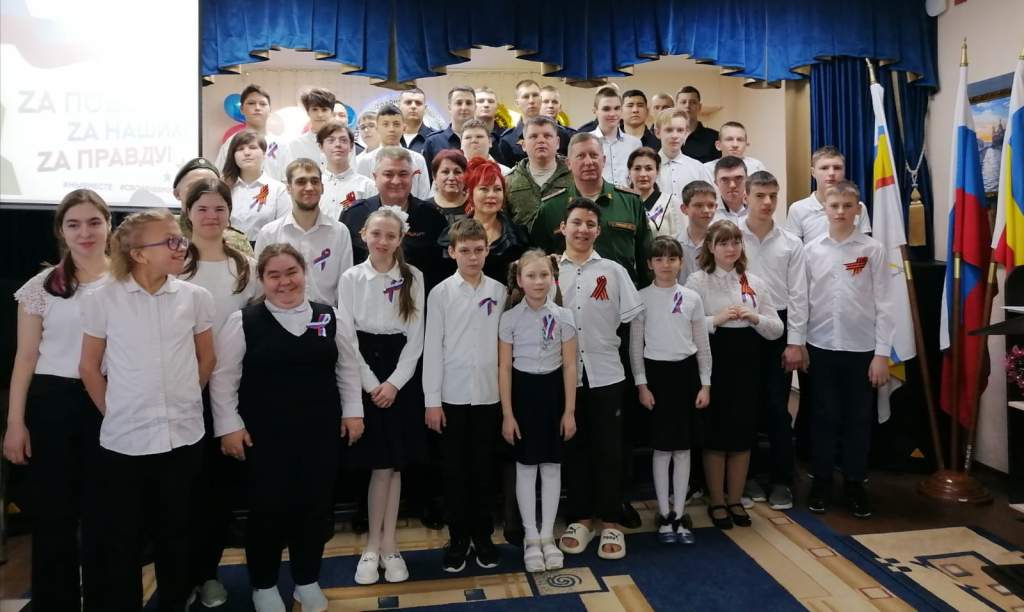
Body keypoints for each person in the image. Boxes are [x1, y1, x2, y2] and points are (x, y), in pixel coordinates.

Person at [209, 244, 363, 612]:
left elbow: (348, 368)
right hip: (265, 437)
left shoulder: (330, 317)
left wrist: (353, 413)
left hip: (320, 433)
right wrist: (229, 426)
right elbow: (223, 378)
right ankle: (263, 584)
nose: (284, 282)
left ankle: (306, 580)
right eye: (274, 275)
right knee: (267, 511)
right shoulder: (244, 322)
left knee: (315, 508)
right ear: (262, 280)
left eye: (291, 272)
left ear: (304, 273)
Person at [79, 209, 216, 610]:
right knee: (123, 539)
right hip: (126, 442)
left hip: (183, 438)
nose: (181, 246)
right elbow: (89, 366)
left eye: (181, 238)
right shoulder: (102, 298)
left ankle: (174, 602)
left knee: (177, 533)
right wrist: (114, 411)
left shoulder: (195, 297)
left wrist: (186, 399)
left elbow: (207, 358)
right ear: (138, 254)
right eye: (170, 241)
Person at [5, 190, 110, 612]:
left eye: (94, 222)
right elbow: (25, 358)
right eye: (74, 224)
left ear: (109, 226)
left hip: (110, 403)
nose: (85, 232)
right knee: (54, 517)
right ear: (61, 232)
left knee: (107, 515)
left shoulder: (129, 280)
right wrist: (15, 423)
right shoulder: (42, 287)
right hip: (52, 405)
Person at [178, 178, 261, 607]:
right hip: (181, 388)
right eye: (203, 209)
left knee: (217, 490)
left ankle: (207, 573)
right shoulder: (174, 261)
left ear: (230, 214)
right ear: (188, 212)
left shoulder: (245, 265)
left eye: (219, 209)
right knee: (181, 489)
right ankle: (178, 577)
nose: (211, 217)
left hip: (229, 391)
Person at [339, 207, 426, 586]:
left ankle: (388, 544)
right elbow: (346, 336)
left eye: (391, 235)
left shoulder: (413, 277)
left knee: (394, 464)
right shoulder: (351, 278)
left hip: (399, 375)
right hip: (366, 372)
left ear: (400, 239)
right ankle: (373, 545)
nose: (383, 241)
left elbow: (416, 336)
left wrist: (394, 383)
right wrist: (371, 383)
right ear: (363, 234)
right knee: (379, 465)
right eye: (376, 234)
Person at [555, 199, 644, 560]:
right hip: (563, 376)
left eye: (590, 224)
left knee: (610, 450)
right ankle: (580, 518)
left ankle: (610, 520)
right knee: (573, 448)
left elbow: (634, 321)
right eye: (576, 222)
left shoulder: (613, 271)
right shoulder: (549, 270)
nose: (583, 230)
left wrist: (640, 376)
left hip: (607, 372)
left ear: (598, 230)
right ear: (563, 227)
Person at [684, 220, 782, 530]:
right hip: (714, 363)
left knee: (742, 434)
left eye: (735, 242)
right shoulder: (698, 281)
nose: (731, 248)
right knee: (716, 435)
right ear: (711, 247)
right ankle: (716, 500)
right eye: (724, 243)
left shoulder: (755, 281)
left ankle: (736, 499)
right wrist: (716, 319)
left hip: (747, 365)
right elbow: (685, 326)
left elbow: (776, 329)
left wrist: (755, 317)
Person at [423, 219, 508, 573]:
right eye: (465, 251)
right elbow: (432, 348)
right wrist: (432, 401)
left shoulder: (500, 291)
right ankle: (458, 537)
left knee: (484, 469)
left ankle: (483, 536)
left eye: (478, 250)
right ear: (452, 252)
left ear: (487, 251)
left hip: (489, 396)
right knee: (454, 471)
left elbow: (505, 348)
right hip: (452, 396)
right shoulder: (440, 293)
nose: (473, 257)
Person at [804, 180, 891, 518]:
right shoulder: (812, 250)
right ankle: (822, 481)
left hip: (861, 349)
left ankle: (855, 482)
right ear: (825, 208)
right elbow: (802, 301)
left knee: (858, 419)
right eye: (834, 205)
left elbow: (885, 303)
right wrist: (800, 342)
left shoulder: (872, 250)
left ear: (858, 209)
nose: (840, 212)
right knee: (823, 416)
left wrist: (881, 353)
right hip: (821, 346)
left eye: (847, 206)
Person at [499, 250, 577, 572]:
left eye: (544, 275)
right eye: (530, 276)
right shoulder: (509, 319)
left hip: (553, 395)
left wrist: (569, 411)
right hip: (523, 395)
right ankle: (531, 537)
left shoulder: (564, 316)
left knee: (552, 467)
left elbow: (570, 365)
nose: (538, 281)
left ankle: (548, 537)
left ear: (553, 277)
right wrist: (507, 414)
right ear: (519, 279)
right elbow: (504, 368)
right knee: (526, 467)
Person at [630, 236, 710, 545]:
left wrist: (705, 383)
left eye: (672, 258)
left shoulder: (692, 298)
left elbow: (702, 344)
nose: (666, 264)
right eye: (659, 259)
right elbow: (635, 347)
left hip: (686, 376)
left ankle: (679, 511)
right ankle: (663, 513)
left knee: (683, 448)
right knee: (662, 449)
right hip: (656, 377)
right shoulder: (641, 298)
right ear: (650, 264)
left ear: (681, 262)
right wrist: (641, 384)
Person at [738, 171, 807, 512]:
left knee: (778, 408)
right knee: (744, 406)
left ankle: (782, 480)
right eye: (760, 195)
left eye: (773, 196)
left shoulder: (791, 243)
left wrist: (795, 343)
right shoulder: (730, 235)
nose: (767, 202)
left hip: (778, 328)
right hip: (740, 326)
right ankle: (747, 477)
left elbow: (798, 296)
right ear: (745, 197)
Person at [531, 132, 652, 286]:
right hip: (570, 295)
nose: (588, 162)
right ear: (568, 163)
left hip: (621, 295)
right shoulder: (551, 208)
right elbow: (538, 259)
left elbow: (645, 257)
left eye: (594, 155)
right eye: (581, 156)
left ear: (604, 160)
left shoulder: (630, 202)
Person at [343, 146, 448, 293]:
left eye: (403, 174)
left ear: (412, 177)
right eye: (388, 174)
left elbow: (440, 272)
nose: (396, 181)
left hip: (416, 300)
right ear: (375, 177)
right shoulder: (353, 215)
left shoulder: (432, 217)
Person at [254, 158, 355, 307]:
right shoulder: (269, 233)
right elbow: (259, 285)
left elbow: (346, 288)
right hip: (280, 315)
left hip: (326, 316)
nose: (309, 187)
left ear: (322, 187)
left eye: (314, 181)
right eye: (301, 182)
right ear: (289, 188)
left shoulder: (340, 232)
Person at [439, 158, 531, 282]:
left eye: (497, 189)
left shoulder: (519, 236)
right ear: (470, 193)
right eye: (484, 189)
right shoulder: (451, 236)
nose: (491, 195)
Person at [786, 145, 872, 243]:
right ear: (813, 172)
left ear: (844, 171)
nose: (831, 173)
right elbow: (794, 249)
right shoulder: (798, 209)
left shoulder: (858, 207)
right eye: (824, 168)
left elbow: (865, 247)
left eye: (837, 168)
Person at [172, 157, 253, 256]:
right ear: (177, 194)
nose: (203, 193)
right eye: (193, 186)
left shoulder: (236, 240)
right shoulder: (163, 231)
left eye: (210, 187)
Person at [222, 129, 292, 243]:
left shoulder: (278, 190)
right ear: (233, 155)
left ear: (264, 154)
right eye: (240, 149)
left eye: (252, 147)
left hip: (267, 250)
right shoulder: (224, 189)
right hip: (228, 249)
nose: (246, 153)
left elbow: (285, 231)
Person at [505, 116, 573, 229]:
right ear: (523, 145)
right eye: (533, 136)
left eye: (547, 136)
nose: (541, 140)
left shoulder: (575, 176)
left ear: (557, 143)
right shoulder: (508, 181)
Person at [353, 104, 431, 200]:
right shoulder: (364, 162)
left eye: (396, 124)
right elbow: (360, 198)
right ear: (377, 128)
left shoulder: (418, 160)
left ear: (404, 128)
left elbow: (424, 196)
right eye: (385, 124)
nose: (391, 129)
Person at [215, 84, 288, 180]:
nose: (257, 108)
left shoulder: (281, 144)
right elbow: (220, 177)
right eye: (251, 103)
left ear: (269, 109)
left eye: (263, 104)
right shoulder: (232, 142)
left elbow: (288, 179)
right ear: (241, 109)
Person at [498, 79, 573, 166]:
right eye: (526, 97)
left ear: (541, 99)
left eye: (535, 95)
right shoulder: (508, 140)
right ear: (517, 103)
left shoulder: (561, 133)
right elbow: (506, 172)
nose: (531, 101)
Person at [318, 120, 377, 220]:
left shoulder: (367, 186)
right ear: (321, 147)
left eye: (343, 140)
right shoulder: (314, 186)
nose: (337, 144)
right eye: (331, 140)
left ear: (351, 146)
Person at [588, 87, 642, 186]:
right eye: (606, 109)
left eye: (617, 108)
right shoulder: (586, 142)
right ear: (595, 111)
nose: (612, 114)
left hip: (628, 195)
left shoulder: (635, 144)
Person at [656, 110, 712, 202]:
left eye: (680, 130)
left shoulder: (698, 168)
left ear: (686, 133)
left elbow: (708, 201)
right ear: (657, 133)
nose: (675, 136)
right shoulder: (645, 168)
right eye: (669, 130)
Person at [628, 147, 682, 238]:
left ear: (657, 171)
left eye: (648, 168)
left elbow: (680, 239)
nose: (643, 174)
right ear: (629, 172)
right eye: (637, 168)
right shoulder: (621, 203)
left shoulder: (671, 202)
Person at [422, 86, 477, 172]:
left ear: (475, 107)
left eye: (468, 103)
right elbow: (427, 177)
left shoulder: (484, 140)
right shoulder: (433, 142)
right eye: (459, 103)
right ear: (449, 108)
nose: (464, 107)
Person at [676, 180, 717, 287]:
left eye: (711, 205)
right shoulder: (673, 244)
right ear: (684, 209)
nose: (706, 210)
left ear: (716, 207)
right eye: (698, 205)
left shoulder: (721, 243)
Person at [289, 87, 337, 165]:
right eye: (315, 109)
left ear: (331, 112)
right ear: (308, 112)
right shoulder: (295, 144)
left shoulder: (342, 142)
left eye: (324, 110)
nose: (319, 115)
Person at [674, 86, 720, 163]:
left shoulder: (715, 137)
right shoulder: (667, 136)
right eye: (683, 102)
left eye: (693, 102)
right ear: (676, 107)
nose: (687, 106)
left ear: (699, 107)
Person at [430, 149, 469, 225]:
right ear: (434, 176)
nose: (451, 178)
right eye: (445, 172)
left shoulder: (475, 207)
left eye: (457, 172)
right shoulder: (425, 209)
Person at [712, 156, 749, 224]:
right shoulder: (708, 215)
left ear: (747, 180)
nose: (732, 185)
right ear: (716, 183)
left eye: (738, 178)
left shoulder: (759, 209)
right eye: (725, 179)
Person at [473, 86, 506, 162]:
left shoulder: (508, 137)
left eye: (491, 101)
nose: (486, 105)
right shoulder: (462, 136)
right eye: (480, 101)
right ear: (472, 106)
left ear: (497, 107)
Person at [399, 88, 434, 153]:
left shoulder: (436, 139)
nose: (413, 106)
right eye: (408, 102)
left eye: (418, 103)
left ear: (425, 108)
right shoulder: (388, 137)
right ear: (399, 107)